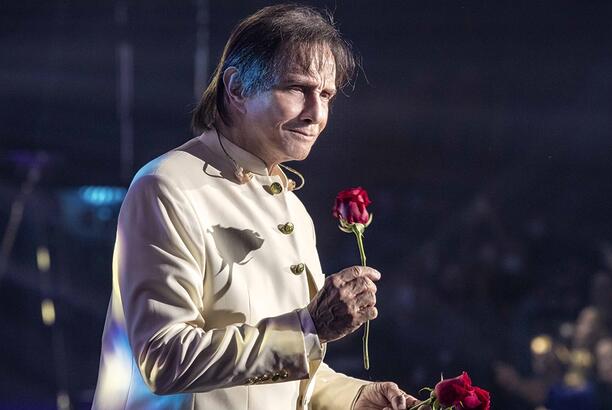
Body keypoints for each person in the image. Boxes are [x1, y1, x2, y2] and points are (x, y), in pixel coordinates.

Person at [93, 4, 423, 410]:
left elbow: (274, 374)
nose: (316, 114)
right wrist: (309, 327)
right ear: (236, 88)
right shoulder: (167, 186)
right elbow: (164, 357)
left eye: (326, 95)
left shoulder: (293, 210)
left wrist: (354, 396)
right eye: (298, 88)